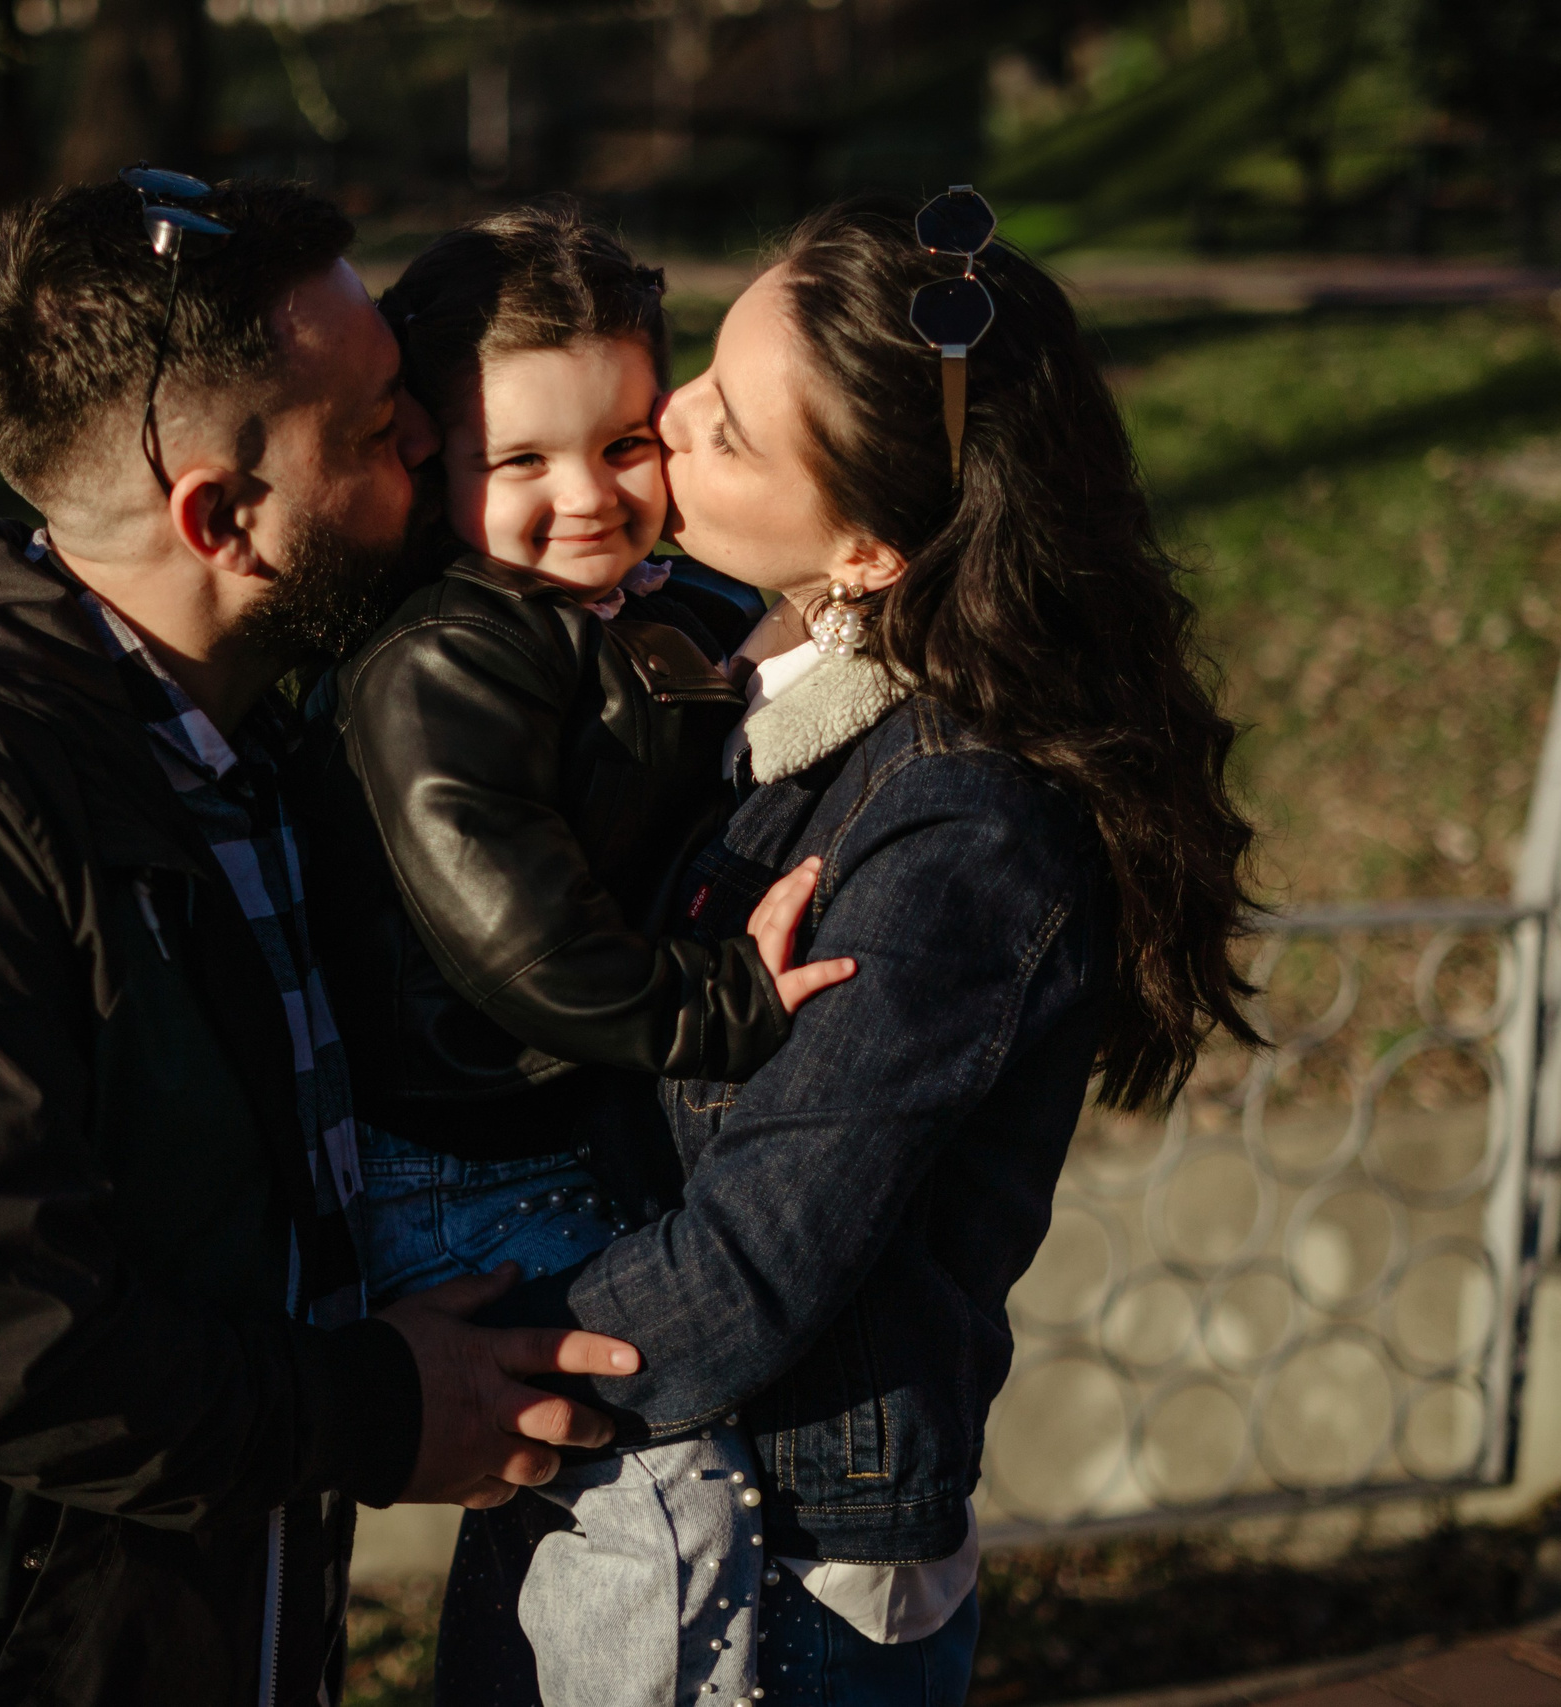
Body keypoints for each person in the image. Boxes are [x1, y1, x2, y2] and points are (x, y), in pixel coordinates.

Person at [0, 176, 639, 1707]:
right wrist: (372, 1408)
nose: (432, 445)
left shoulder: (239, 742)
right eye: (375, 430)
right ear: (222, 519)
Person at [451, 195, 1262, 1707]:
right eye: (706, 369)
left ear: (875, 550)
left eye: (732, 435)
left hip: (777, 1580)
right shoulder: (739, 672)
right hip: (640, 1500)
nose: (666, 415)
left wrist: (465, 1384)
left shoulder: (959, 831)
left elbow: (758, 1262)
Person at [297, 204, 856, 1707]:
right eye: (520, 464)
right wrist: (724, 1003)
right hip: (464, 1164)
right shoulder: (447, 657)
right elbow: (519, 943)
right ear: (435, 468)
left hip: (569, 1135)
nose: (589, 497)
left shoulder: (648, 612)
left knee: (616, 1496)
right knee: (640, 1492)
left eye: (625, 444)